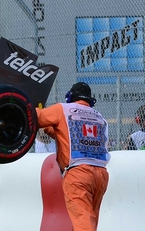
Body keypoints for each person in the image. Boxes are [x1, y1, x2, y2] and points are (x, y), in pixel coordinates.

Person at [37, 82, 110, 231]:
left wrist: (34, 105)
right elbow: (66, 135)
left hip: (78, 173)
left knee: (83, 222)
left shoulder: (63, 109)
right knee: (89, 220)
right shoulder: (99, 117)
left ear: (70, 96)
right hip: (101, 174)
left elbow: (37, 118)